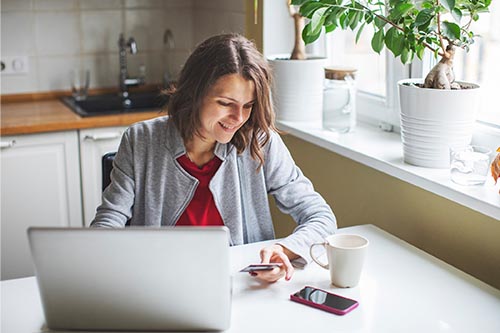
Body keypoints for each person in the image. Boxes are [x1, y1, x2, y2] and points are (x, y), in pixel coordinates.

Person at [91, 33, 337, 283]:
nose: (239, 117)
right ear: (193, 94)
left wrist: (283, 250)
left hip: (241, 287)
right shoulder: (140, 140)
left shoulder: (260, 142)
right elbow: (108, 222)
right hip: (157, 284)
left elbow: (321, 216)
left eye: (248, 105)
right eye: (225, 103)